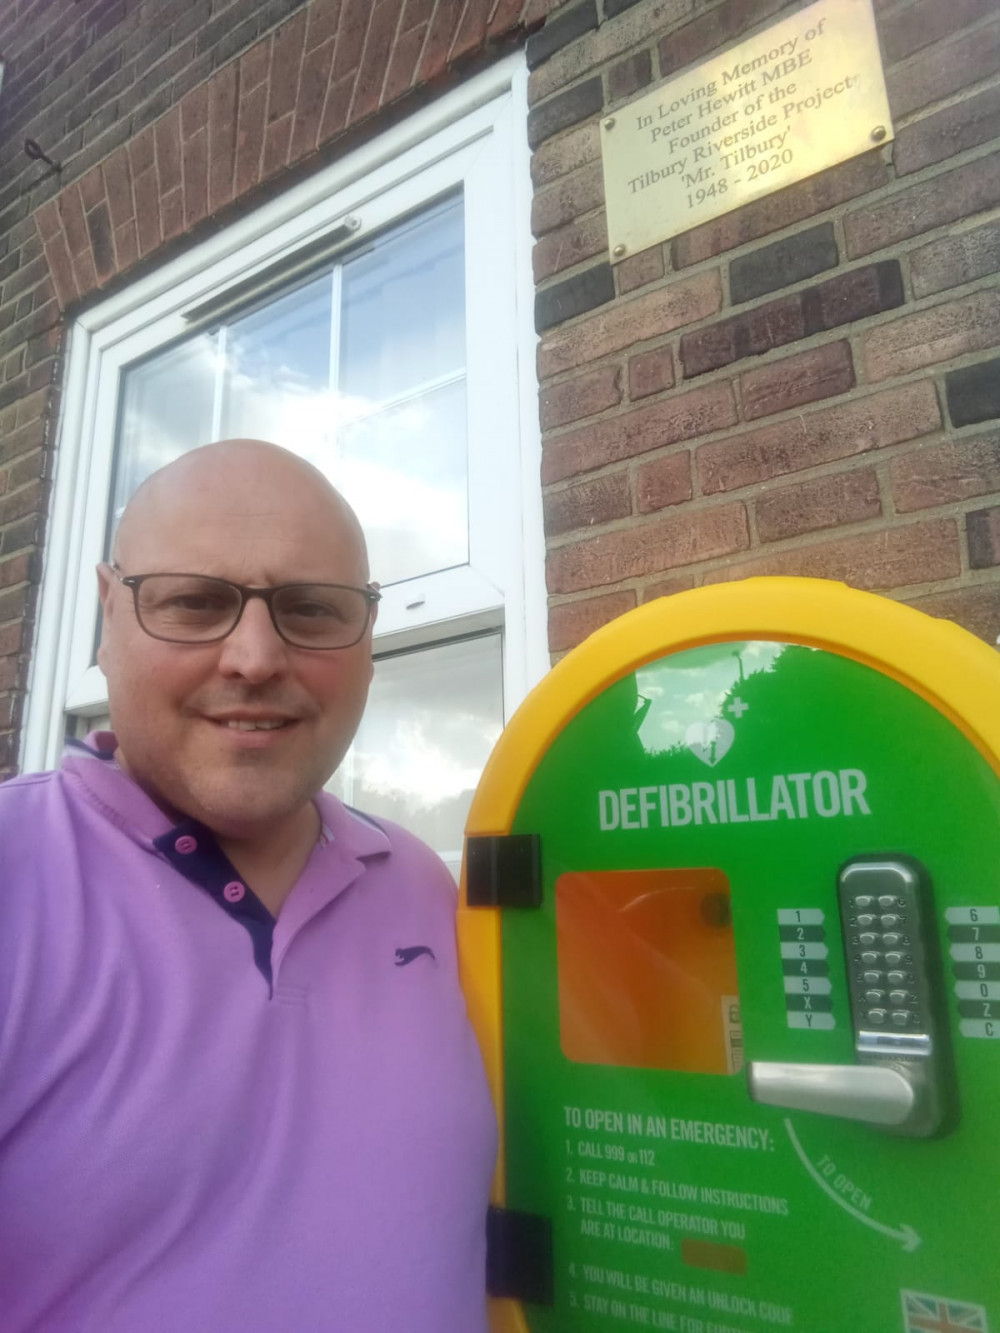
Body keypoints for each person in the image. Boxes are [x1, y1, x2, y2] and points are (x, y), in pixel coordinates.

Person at [0, 439, 497, 1332]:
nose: (257, 657)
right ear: (107, 614)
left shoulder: (424, 887)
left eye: (312, 610)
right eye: (195, 602)